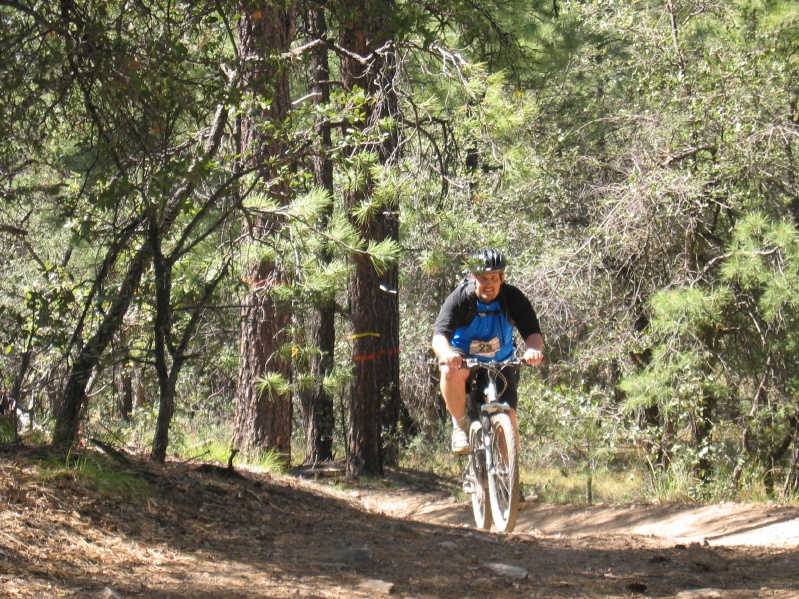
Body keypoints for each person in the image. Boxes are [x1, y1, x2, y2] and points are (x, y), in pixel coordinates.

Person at [432, 248, 544, 454]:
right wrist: (447, 354)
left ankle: (509, 477)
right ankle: (460, 426)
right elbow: (439, 336)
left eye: (493, 278)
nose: (488, 284)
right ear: (474, 277)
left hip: (501, 361)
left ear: (502, 277)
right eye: (483, 278)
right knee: (449, 371)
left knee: (509, 417)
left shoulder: (513, 298)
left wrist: (534, 351)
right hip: (463, 358)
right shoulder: (459, 299)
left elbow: (532, 332)